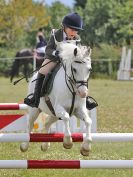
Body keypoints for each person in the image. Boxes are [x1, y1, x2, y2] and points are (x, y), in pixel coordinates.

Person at [24, 12, 98, 110]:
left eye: (76, 30)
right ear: (64, 27)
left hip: (68, 62)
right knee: (42, 71)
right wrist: (56, 53)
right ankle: (35, 98)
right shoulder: (55, 34)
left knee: (81, 73)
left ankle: (85, 99)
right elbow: (48, 49)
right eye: (72, 29)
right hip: (53, 59)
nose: (74, 32)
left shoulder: (77, 38)